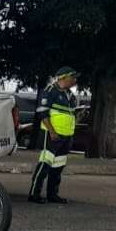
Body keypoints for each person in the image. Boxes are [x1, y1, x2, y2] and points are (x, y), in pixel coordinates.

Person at [30, 66, 79, 205]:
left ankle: (53, 195)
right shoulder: (50, 91)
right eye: (73, 77)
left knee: (58, 167)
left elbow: (70, 115)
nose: (75, 80)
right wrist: (52, 131)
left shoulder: (71, 96)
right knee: (45, 164)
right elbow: (42, 113)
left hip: (66, 136)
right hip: (52, 135)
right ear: (63, 77)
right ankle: (34, 194)